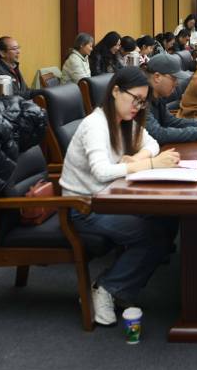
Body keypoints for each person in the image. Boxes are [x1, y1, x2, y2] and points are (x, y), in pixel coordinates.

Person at [57, 66, 180, 326]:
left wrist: (138, 157)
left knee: (168, 219)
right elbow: (101, 172)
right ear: (115, 91)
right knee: (152, 236)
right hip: (84, 208)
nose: (138, 106)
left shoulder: (123, 121)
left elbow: (152, 143)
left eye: (142, 102)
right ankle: (105, 287)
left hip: (112, 199)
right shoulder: (96, 125)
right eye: (135, 99)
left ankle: (121, 287)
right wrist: (149, 164)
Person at [143, 53, 197, 143]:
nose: (177, 83)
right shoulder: (141, 99)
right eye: (174, 79)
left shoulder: (159, 96)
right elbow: (157, 134)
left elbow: (170, 121)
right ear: (157, 77)